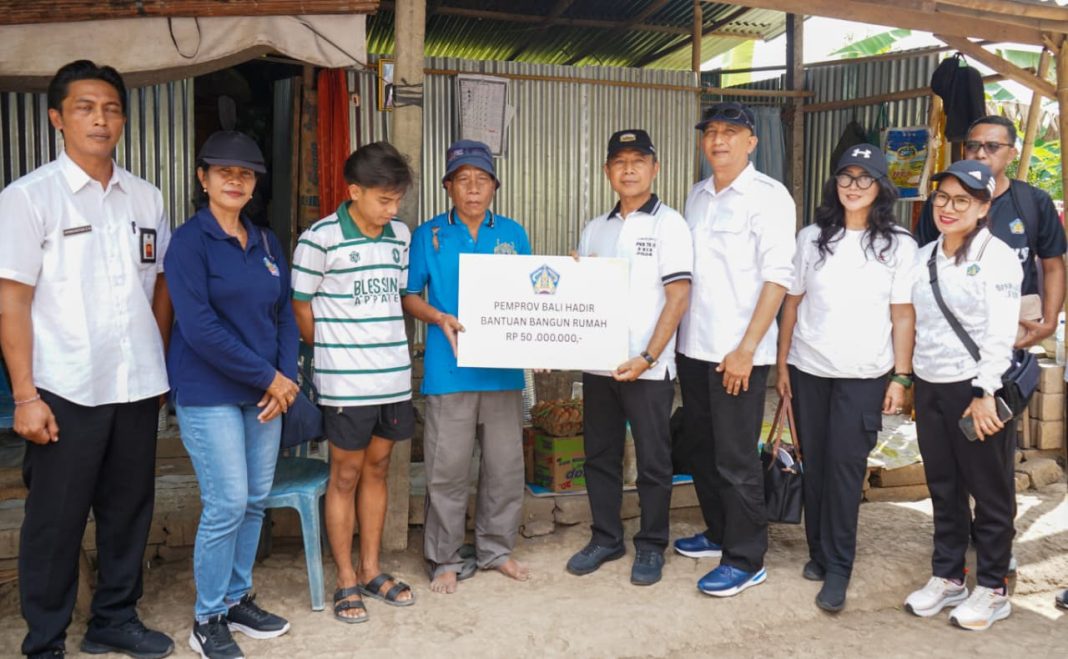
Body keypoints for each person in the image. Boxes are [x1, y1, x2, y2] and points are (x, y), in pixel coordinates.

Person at [0, 60, 175, 659]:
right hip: (65, 390)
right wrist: (25, 395)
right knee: (55, 521)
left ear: (123, 119)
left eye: (111, 108)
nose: (100, 119)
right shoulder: (28, 199)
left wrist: (156, 365)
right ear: (57, 118)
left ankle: (114, 618)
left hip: (135, 387)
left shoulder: (146, 198)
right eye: (84, 107)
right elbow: (13, 302)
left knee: (128, 512)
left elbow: (159, 289)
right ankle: (45, 641)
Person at [165, 131, 298, 658]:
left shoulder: (266, 242)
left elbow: (284, 313)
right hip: (210, 391)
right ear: (203, 178)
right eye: (224, 171)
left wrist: (286, 379)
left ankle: (238, 597)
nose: (235, 180)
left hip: (267, 394)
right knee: (225, 503)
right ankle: (207, 618)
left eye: (245, 173)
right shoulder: (188, 243)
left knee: (253, 501)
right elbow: (198, 328)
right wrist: (270, 379)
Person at [776, 145, 917, 612]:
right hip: (809, 368)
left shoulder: (899, 244)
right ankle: (819, 552)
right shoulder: (813, 237)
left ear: (880, 187)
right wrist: (781, 365)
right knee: (814, 461)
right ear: (834, 184)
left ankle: (839, 566)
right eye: (845, 177)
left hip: (864, 375)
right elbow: (791, 305)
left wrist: (901, 376)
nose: (853, 186)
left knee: (844, 468)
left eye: (864, 178)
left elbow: (902, 316)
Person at [673, 102, 796, 597]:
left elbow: (778, 277)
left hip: (737, 354)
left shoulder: (769, 197)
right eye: (712, 132)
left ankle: (747, 558)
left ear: (752, 142)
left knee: (736, 457)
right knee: (701, 448)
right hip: (693, 347)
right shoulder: (697, 195)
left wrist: (746, 349)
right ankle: (720, 531)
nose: (719, 140)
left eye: (731, 132)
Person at [291, 142, 417, 622]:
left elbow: (400, 296)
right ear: (354, 191)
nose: (392, 209)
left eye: (397, 199)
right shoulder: (319, 239)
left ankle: (371, 568)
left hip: (393, 378)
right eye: (383, 199)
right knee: (343, 475)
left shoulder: (399, 236)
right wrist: (331, 354)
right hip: (346, 382)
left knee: (378, 470)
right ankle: (345, 577)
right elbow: (301, 306)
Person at [565, 130, 693, 586]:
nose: (629, 169)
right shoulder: (595, 227)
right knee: (599, 454)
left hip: (648, 366)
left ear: (655, 168)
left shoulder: (670, 224)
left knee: (654, 461)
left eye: (639, 160)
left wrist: (648, 355)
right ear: (607, 172)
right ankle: (606, 537)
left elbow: (677, 298)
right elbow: (582, 295)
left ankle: (652, 544)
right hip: (600, 364)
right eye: (619, 161)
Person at [403, 139, 531, 594]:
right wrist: (438, 317)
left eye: (481, 180)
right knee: (447, 469)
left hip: (502, 372)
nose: (472, 189)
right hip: (449, 369)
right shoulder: (429, 235)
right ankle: (444, 558)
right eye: (463, 181)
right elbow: (410, 294)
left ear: (494, 186)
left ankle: (496, 550)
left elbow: (531, 295)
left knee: (504, 467)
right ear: (448, 187)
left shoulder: (513, 233)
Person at [904, 160, 1021, 631]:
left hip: (977, 389)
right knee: (944, 486)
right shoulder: (924, 255)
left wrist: (985, 391)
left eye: (962, 201)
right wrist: (909, 381)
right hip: (931, 385)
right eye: (942, 199)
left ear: (983, 207)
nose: (948, 209)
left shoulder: (998, 257)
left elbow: (1000, 330)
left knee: (989, 493)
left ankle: (993, 587)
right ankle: (949, 575)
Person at [916, 115, 1066, 349]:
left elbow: (1053, 266)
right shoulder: (940, 205)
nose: (981, 153)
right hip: (948, 330)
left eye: (993, 146)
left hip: (1012, 329)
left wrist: (1050, 320)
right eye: (973, 145)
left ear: (1012, 154)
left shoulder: (1034, 202)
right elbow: (921, 263)